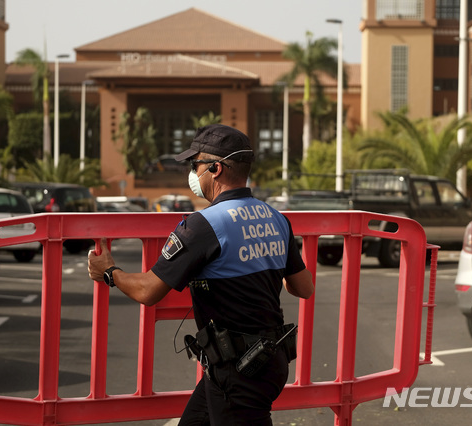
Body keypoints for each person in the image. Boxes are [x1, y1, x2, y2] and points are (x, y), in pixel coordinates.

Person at [88, 124, 314, 425]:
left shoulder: (203, 226)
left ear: (216, 169)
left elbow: (148, 290)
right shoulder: (275, 218)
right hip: (264, 360)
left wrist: (109, 272)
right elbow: (303, 287)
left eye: (196, 166)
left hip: (240, 371)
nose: (193, 174)